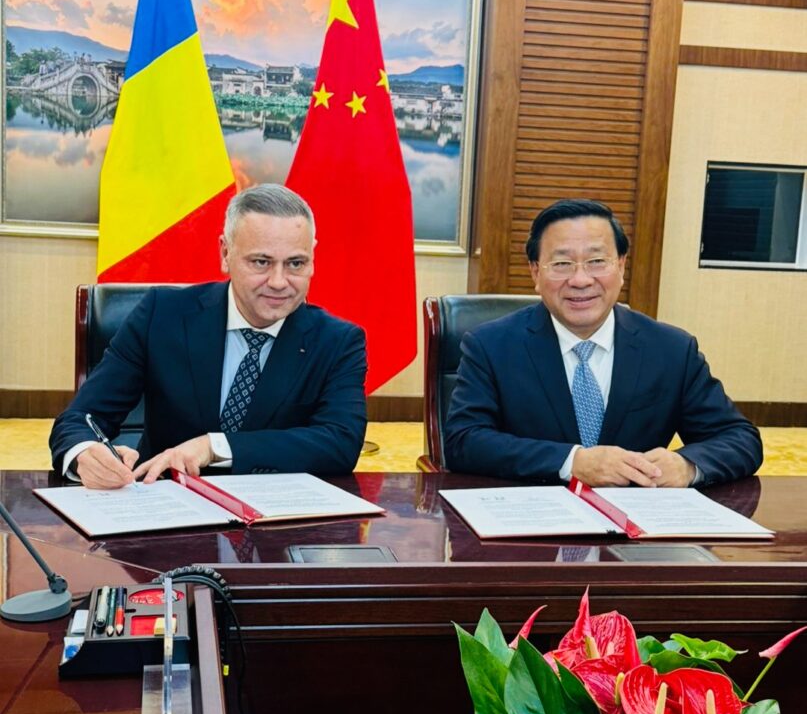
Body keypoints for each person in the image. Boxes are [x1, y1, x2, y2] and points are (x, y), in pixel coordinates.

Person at [50, 184, 367, 489]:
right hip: (165, 506)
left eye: (295, 263)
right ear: (225, 254)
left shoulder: (338, 342)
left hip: (276, 517)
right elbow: (80, 420)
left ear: (312, 260)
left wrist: (216, 446)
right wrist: (86, 454)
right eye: (261, 262)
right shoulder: (161, 314)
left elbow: (340, 443)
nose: (279, 282)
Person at [444, 198, 762, 487]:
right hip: (531, 519)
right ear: (535, 273)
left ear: (621, 266)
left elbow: (740, 439)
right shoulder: (490, 345)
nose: (581, 280)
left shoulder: (672, 350)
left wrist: (686, 466)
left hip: (635, 523)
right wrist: (572, 462)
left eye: (597, 261)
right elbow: (463, 441)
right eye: (562, 264)